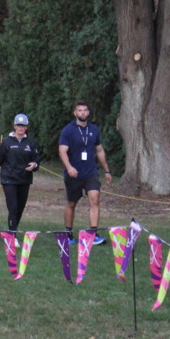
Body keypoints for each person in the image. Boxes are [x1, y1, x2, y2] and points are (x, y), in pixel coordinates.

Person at [58, 101, 112, 245]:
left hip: (90, 172)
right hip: (74, 173)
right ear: (75, 113)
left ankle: (93, 234)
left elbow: (99, 150)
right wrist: (69, 167)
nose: (83, 112)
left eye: (85, 110)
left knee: (95, 198)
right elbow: (62, 151)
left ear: (88, 112)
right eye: (80, 110)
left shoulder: (94, 129)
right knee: (72, 203)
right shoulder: (68, 130)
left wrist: (106, 170)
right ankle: (68, 233)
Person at [0, 113, 40, 235]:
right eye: (19, 125)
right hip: (9, 179)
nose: (21, 128)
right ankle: (12, 235)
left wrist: (34, 165)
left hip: (24, 179)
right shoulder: (7, 142)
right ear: (14, 126)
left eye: (23, 126)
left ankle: (12, 229)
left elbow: (36, 159)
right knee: (13, 207)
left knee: (20, 208)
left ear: (26, 127)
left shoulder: (30, 143)